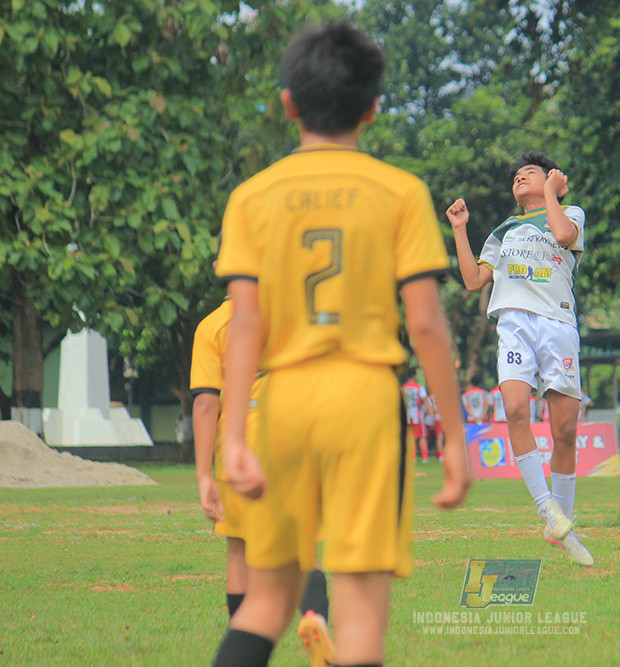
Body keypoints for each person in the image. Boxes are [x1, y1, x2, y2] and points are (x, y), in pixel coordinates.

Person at [212, 19, 470, 667]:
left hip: (283, 403)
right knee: (356, 623)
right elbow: (427, 323)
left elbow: (244, 324)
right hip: (365, 402)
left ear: (288, 104)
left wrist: (235, 439)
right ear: (375, 108)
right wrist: (457, 437)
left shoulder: (252, 197)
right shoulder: (400, 192)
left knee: (265, 602)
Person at [447, 151, 592, 567]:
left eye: (529, 173)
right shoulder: (505, 230)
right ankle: (548, 510)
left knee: (564, 432)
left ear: (552, 181)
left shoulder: (570, 214)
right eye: (515, 177)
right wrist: (460, 229)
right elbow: (475, 281)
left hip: (557, 325)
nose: (518, 178)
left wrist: (552, 193)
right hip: (513, 324)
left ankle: (562, 525)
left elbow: (563, 237)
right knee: (514, 409)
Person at [191, 299, 332, 666]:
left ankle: (244, 643)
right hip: (291, 436)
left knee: (238, 552)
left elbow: (206, 403)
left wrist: (204, 473)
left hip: (241, 442)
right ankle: (316, 619)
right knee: (303, 548)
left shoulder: (214, 327)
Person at [402, 374, 430, 462]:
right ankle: (425, 458)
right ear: (414, 376)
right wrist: (430, 409)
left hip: (407, 414)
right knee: (422, 436)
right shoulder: (419, 388)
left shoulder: (403, 388)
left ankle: (413, 458)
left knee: (411, 437)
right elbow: (425, 400)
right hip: (417, 414)